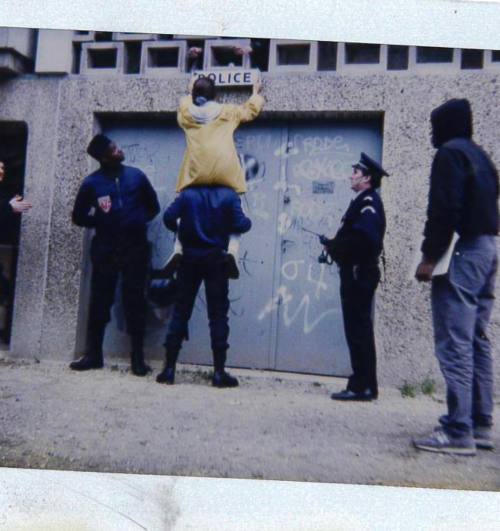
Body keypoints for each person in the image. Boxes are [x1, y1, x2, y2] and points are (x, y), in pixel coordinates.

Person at [413, 99, 498, 456]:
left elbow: (444, 209)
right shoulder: (481, 157)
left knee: (455, 339)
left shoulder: (449, 154)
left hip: (462, 251)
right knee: (476, 336)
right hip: (490, 247)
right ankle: (480, 424)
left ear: (445, 126)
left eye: (435, 126)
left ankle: (457, 430)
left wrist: (430, 257)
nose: (432, 134)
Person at [70, 135, 160, 376]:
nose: (119, 150)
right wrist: (100, 221)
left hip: (135, 249)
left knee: (135, 302)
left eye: (117, 146)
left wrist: (137, 223)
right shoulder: (92, 183)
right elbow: (78, 217)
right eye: (114, 149)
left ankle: (138, 359)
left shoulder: (136, 176)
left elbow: (154, 207)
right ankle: (93, 355)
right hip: (105, 251)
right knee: (100, 301)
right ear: (104, 157)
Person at [158, 75, 264, 280]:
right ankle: (233, 250)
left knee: (183, 215)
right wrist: (256, 94)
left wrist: (189, 93)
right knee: (235, 214)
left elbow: (183, 107)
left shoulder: (187, 116)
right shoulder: (227, 113)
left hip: (196, 174)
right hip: (224, 173)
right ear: (215, 95)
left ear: (195, 95)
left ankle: (178, 248)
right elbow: (249, 112)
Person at [156, 184, 252, 388]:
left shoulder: (187, 194)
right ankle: (218, 373)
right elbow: (241, 225)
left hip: (189, 258)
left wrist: (183, 229)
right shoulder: (229, 195)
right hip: (217, 260)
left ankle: (169, 369)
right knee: (218, 315)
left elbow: (168, 218)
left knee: (181, 312)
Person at [319, 153, 388, 402]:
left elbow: (364, 240)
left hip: (359, 273)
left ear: (367, 178)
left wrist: (338, 248)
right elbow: (354, 238)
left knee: (358, 330)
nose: (351, 175)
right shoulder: (363, 201)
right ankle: (363, 384)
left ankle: (363, 386)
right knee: (358, 329)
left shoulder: (368, 202)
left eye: (356, 172)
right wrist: (334, 244)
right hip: (357, 272)